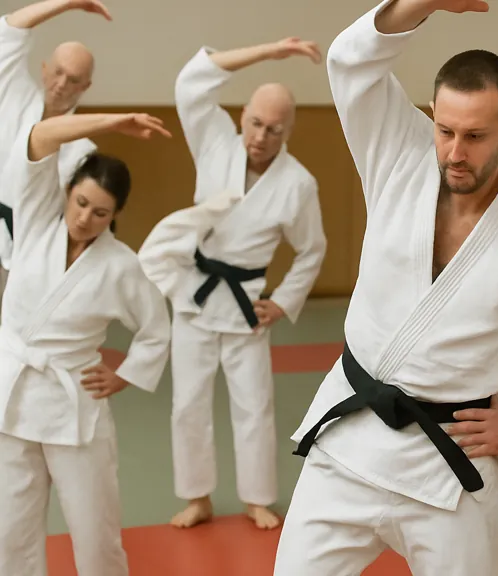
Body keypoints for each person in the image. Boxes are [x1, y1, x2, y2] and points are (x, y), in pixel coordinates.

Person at [273, 0, 498, 573]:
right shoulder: (400, 152)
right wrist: (422, 3)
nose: (455, 153)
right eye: (444, 130)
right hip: (348, 441)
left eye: (475, 136)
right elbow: (348, 61)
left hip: (450, 461)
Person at [0, 112, 172, 576]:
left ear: (115, 215)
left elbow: (156, 328)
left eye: (100, 213)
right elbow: (38, 135)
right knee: (9, 533)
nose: (84, 218)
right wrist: (117, 122)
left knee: (96, 535)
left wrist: (125, 375)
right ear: (67, 191)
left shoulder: (121, 265)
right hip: (12, 395)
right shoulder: (37, 218)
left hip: (72, 402)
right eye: (80, 202)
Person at [167, 36, 328, 530]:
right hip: (195, 292)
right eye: (255, 123)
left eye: (273, 129)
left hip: (246, 304)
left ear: (288, 133)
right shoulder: (214, 138)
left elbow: (312, 249)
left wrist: (281, 302)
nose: (260, 136)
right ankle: (197, 496)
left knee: (253, 404)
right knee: (188, 401)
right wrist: (267, 51)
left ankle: (258, 497)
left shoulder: (298, 183)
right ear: (242, 117)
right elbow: (191, 82)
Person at [0, 0, 106, 312]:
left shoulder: (83, 151)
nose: (61, 85)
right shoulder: (13, 94)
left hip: (24, 253)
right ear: (44, 69)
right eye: (58, 72)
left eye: (73, 79)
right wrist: (68, 3)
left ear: (85, 87)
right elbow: (9, 30)